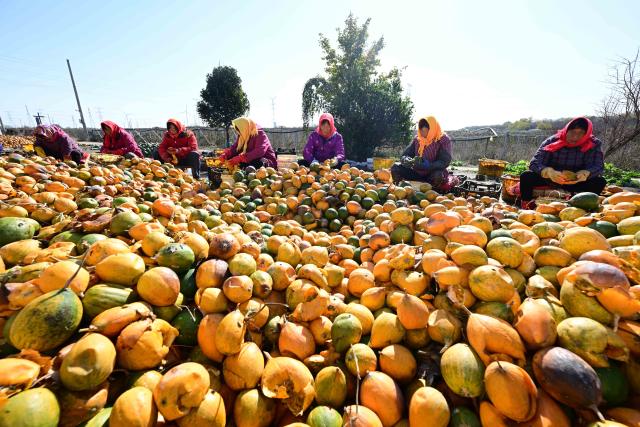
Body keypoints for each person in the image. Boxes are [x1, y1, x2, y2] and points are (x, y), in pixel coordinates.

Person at [520, 117, 606, 208]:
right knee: (526, 176)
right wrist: (549, 172)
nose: (575, 137)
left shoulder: (593, 144)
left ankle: (582, 205)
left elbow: (598, 165)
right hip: (552, 180)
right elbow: (535, 162)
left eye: (580, 133)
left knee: (599, 182)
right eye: (572, 132)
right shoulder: (552, 141)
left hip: (578, 182)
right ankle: (527, 205)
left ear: (587, 134)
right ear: (566, 130)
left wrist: (585, 173)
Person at [391, 116, 452, 189]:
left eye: (426, 132)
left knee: (438, 175)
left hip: (431, 174)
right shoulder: (418, 139)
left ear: (432, 129)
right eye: (421, 131)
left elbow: (444, 161)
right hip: (416, 172)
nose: (423, 134)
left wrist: (429, 165)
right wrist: (406, 159)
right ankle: (400, 190)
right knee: (395, 168)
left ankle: (434, 192)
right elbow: (406, 154)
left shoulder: (443, 140)